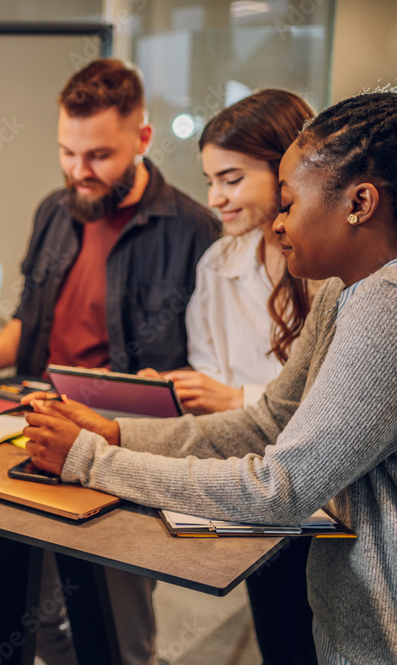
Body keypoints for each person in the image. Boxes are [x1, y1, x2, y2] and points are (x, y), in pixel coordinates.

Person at [20, 91, 397, 665]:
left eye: (289, 203)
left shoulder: (385, 308)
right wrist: (117, 433)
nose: (277, 221)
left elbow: (280, 488)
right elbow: (270, 421)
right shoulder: (349, 293)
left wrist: (92, 461)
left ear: (359, 203)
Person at [0, 58, 219, 665]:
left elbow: (207, 372)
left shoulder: (195, 231)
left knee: (120, 633)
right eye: (67, 152)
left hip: (125, 447)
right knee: (28, 611)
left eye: (97, 157)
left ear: (142, 140)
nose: (78, 172)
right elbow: (29, 324)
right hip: (36, 428)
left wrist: (163, 387)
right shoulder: (54, 211)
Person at [139, 89, 317, 665]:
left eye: (232, 179)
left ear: (286, 169)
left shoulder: (334, 266)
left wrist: (235, 397)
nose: (215, 197)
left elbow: (343, 398)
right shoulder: (219, 262)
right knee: (282, 635)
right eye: (211, 180)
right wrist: (178, 391)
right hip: (251, 473)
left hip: (320, 479)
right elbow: (209, 370)